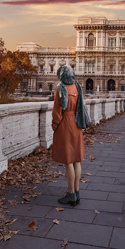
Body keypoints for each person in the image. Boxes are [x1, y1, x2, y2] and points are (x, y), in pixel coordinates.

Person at [51, 65, 88, 206]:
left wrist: (55, 126)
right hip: (77, 123)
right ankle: (77, 192)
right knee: (77, 160)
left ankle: (71, 194)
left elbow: (57, 110)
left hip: (65, 123)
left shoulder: (60, 88)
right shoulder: (77, 87)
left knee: (68, 161)